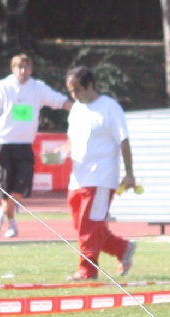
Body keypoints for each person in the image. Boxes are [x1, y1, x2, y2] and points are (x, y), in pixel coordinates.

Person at [0, 53, 72, 238]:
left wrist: (81, 108)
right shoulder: (1, 87)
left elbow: (59, 101)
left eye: (27, 67)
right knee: (5, 188)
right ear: (12, 69)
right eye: (19, 67)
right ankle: (12, 223)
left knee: (22, 186)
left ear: (31, 69)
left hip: (24, 145)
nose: (23, 71)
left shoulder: (37, 87)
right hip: (3, 144)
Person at [62, 66, 137, 281]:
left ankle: (87, 270)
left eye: (77, 90)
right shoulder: (76, 109)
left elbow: (123, 140)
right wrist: (59, 153)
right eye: (71, 91)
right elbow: (71, 140)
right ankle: (122, 248)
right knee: (81, 226)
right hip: (78, 177)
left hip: (101, 177)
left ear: (90, 85)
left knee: (89, 224)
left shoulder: (110, 108)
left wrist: (129, 173)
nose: (74, 95)